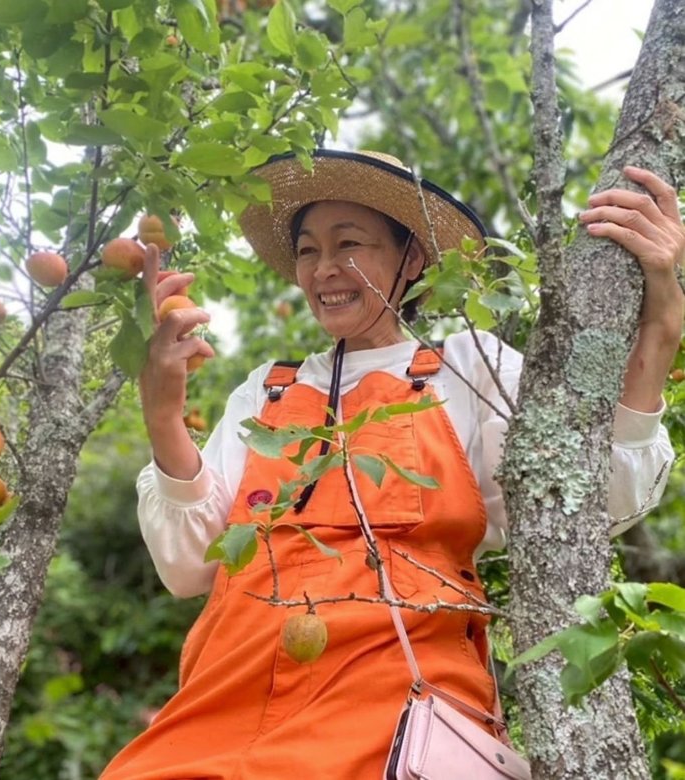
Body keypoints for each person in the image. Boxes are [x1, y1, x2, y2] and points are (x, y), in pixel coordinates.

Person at [101, 149, 682, 778]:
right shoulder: (265, 389)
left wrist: (661, 327)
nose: (324, 269)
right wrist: (162, 416)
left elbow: (597, 501)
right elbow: (191, 565)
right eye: (307, 250)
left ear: (412, 258)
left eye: (349, 243)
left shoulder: (467, 365)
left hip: (397, 711)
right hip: (223, 694)